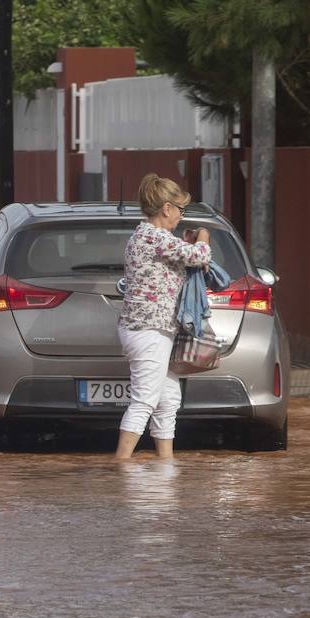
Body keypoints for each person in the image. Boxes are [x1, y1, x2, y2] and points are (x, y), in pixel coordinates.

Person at [114, 173, 212, 460]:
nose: (182, 216)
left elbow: (179, 256)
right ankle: (120, 468)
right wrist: (203, 236)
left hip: (156, 330)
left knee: (168, 400)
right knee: (144, 400)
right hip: (149, 330)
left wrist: (186, 244)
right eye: (181, 210)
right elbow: (199, 256)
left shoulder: (150, 237)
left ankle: (165, 468)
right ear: (167, 208)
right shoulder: (154, 237)